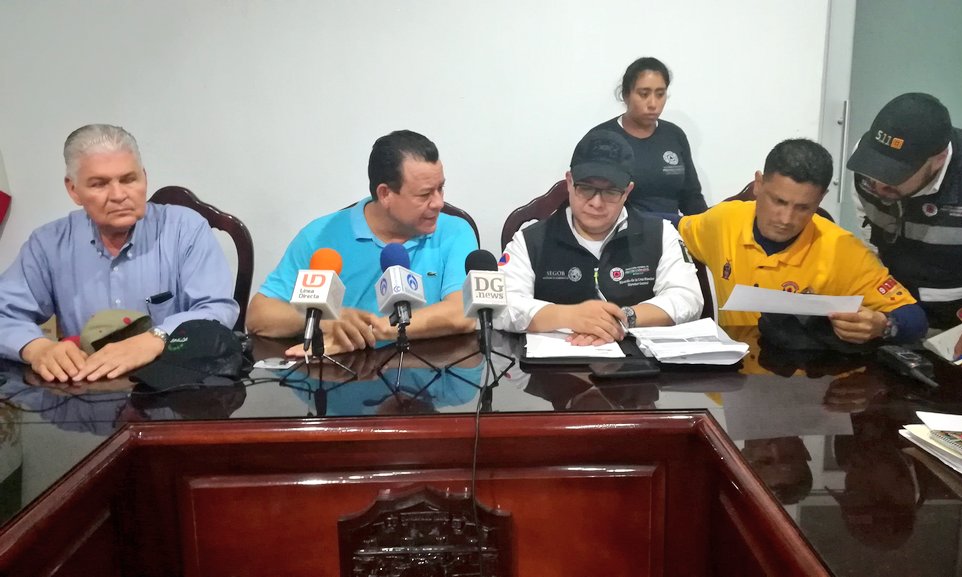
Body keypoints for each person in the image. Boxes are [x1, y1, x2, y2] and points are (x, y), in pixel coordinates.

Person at [0, 124, 238, 382]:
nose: (118, 195)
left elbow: (217, 309)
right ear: (73, 190)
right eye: (99, 184)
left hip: (171, 385)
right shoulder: (49, 243)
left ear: (144, 177)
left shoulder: (185, 229)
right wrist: (36, 348)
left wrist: (156, 338)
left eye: (129, 179)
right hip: (87, 387)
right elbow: (5, 313)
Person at [847, 92, 962, 389]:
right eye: (877, 168)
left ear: (938, 159)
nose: (878, 183)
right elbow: (872, 234)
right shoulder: (868, 165)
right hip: (903, 317)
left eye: (895, 173)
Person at [247, 130, 476, 355]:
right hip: (339, 372)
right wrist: (323, 321)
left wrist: (371, 331)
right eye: (425, 195)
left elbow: (463, 313)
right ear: (385, 194)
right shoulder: (319, 237)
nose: (438, 203)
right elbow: (259, 315)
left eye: (440, 188)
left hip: (427, 370)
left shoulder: (454, 232)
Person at [679, 138, 927, 344]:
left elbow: (915, 319)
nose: (786, 219)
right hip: (734, 374)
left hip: (808, 378)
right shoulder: (724, 220)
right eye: (778, 201)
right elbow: (671, 226)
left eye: (803, 207)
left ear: (821, 199)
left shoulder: (842, 249)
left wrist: (884, 325)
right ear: (758, 185)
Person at [495, 129, 704, 345]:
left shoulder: (661, 233)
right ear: (569, 182)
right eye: (586, 188)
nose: (596, 203)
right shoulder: (529, 241)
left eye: (611, 192)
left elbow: (688, 298)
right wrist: (570, 317)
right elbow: (502, 306)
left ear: (627, 191)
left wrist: (622, 318)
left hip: (638, 360)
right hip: (555, 361)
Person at [587, 57, 706, 222]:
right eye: (644, 94)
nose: (653, 104)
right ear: (626, 95)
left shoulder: (674, 135)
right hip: (624, 231)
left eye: (660, 94)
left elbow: (691, 197)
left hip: (672, 231)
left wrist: (706, 227)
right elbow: (592, 201)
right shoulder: (602, 138)